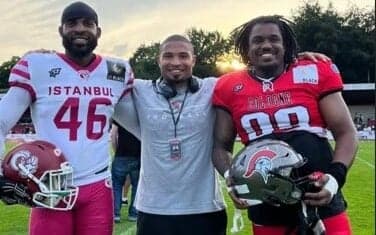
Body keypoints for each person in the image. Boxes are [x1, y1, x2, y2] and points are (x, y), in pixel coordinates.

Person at [112, 34, 327, 235]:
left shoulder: (213, 87)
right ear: (158, 60)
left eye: (183, 56)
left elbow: (259, 76)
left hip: (205, 208)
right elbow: (103, 80)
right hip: (153, 209)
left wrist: (288, 60)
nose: (176, 62)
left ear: (194, 60)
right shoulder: (141, 91)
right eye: (168, 56)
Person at [212, 15, 358, 235]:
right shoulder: (228, 86)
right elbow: (220, 147)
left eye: (274, 39)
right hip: (265, 198)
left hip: (318, 192)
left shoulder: (313, 70)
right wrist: (231, 178)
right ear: (246, 48)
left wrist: (335, 180)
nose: (266, 45)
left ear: (286, 44)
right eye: (258, 40)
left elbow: (346, 132)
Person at [0, 1, 133, 235]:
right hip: (48, 187)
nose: (80, 29)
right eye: (72, 23)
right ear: (61, 30)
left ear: (98, 32)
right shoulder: (37, 66)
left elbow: (141, 124)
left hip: (97, 186)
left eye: (88, 24)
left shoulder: (117, 71)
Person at [110, 120, 141, 223]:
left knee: (117, 185)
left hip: (121, 155)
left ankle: (116, 214)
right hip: (137, 156)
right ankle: (133, 213)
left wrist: (116, 151)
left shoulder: (120, 116)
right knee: (136, 186)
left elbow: (113, 135)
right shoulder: (139, 116)